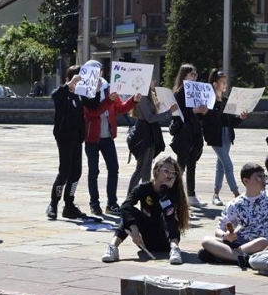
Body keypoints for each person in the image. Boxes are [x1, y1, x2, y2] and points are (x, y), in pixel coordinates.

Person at [101, 156, 189, 265]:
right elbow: (125, 206)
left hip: (166, 240)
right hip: (144, 239)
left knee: (169, 213)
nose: (170, 175)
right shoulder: (143, 188)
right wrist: (134, 230)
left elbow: (168, 215)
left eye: (173, 173)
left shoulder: (172, 193)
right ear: (156, 172)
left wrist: (164, 190)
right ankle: (113, 247)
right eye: (166, 171)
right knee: (129, 213)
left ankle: (175, 249)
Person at [198, 162, 268, 266]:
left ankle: (224, 255)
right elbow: (219, 230)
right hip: (243, 242)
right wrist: (226, 236)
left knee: (262, 242)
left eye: (264, 176)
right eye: (259, 177)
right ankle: (242, 258)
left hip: (266, 243)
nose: (263, 180)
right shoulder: (236, 203)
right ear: (246, 181)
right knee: (207, 241)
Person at [83, 60, 139, 217]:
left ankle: (112, 203)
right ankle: (94, 203)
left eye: (98, 70)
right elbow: (92, 112)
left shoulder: (109, 87)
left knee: (113, 168)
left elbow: (120, 108)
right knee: (94, 171)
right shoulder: (86, 90)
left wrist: (133, 101)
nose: (97, 74)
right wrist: (109, 101)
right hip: (92, 138)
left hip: (107, 136)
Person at [46, 65, 98, 220]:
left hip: (77, 138)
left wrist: (100, 90)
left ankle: (69, 204)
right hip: (64, 137)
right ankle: (53, 203)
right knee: (64, 172)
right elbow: (54, 95)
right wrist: (69, 85)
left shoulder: (79, 97)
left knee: (76, 173)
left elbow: (94, 105)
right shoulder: (63, 95)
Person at [202, 69, 248, 206]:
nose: (225, 85)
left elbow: (230, 121)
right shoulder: (208, 101)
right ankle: (236, 193)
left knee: (221, 165)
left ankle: (215, 194)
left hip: (227, 134)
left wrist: (240, 118)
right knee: (228, 164)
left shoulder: (227, 100)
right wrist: (217, 102)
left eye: (226, 82)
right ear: (215, 84)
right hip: (215, 136)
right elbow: (212, 119)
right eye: (223, 82)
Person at [169, 63, 208, 206]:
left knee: (192, 165)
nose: (195, 77)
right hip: (184, 134)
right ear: (184, 76)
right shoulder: (179, 93)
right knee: (181, 166)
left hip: (195, 132)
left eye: (195, 75)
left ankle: (191, 195)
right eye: (192, 74)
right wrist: (193, 111)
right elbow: (177, 115)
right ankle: (174, 193)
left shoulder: (196, 91)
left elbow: (198, 116)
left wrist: (202, 113)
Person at [126, 86, 175, 196]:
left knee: (146, 169)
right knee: (141, 169)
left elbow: (152, 114)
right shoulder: (142, 95)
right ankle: (130, 198)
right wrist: (169, 112)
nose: (154, 81)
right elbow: (150, 118)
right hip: (144, 135)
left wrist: (158, 106)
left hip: (150, 134)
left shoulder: (149, 94)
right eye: (152, 78)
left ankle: (146, 198)